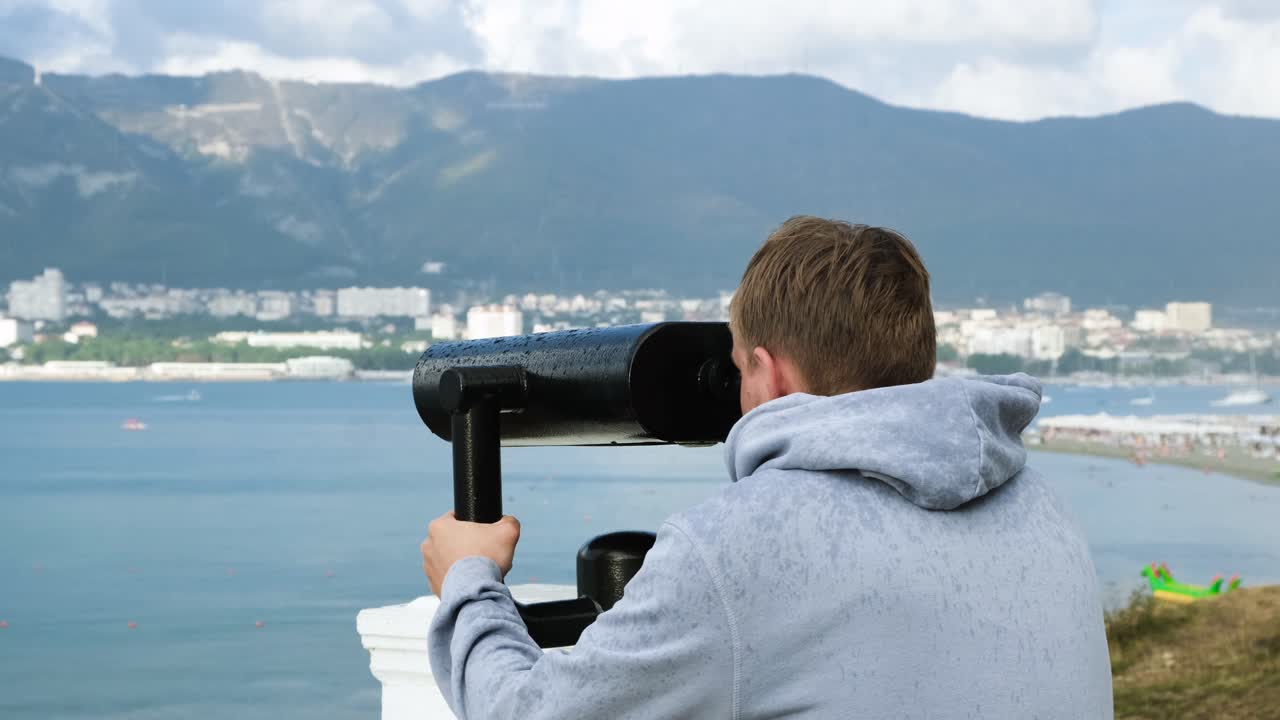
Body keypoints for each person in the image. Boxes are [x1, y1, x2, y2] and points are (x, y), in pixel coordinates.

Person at [421, 216, 1113, 719]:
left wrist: (468, 580)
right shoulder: (1039, 504)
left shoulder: (739, 546)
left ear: (768, 372)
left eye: (736, 373)